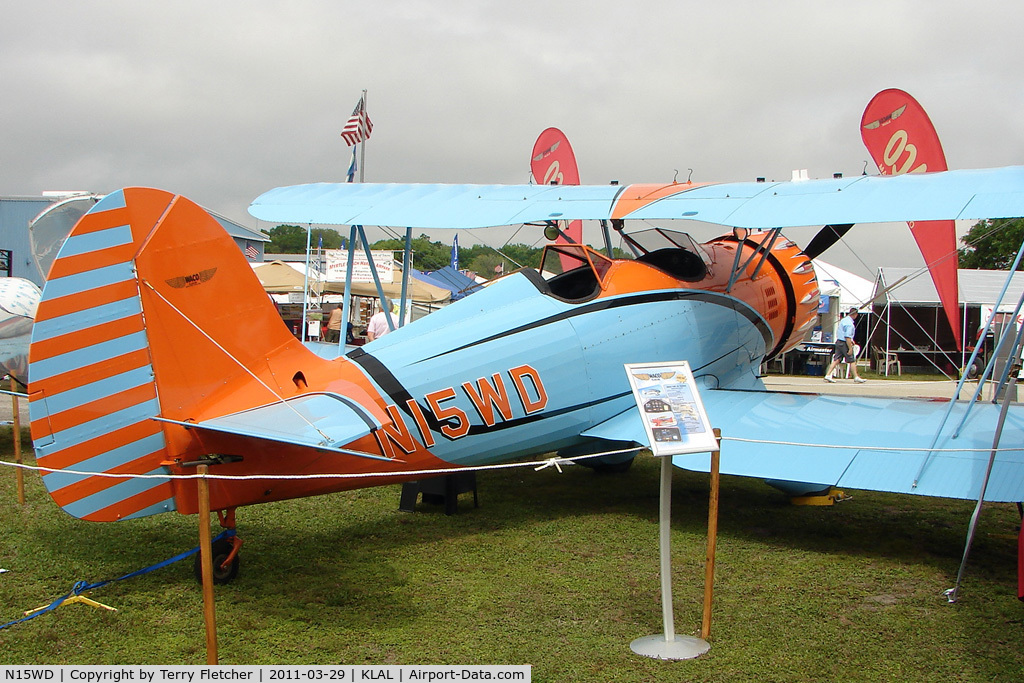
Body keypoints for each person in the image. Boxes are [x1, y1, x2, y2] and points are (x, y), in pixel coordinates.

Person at [825, 308, 866, 383]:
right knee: (852, 360)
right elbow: (847, 337)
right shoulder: (849, 324)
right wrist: (850, 348)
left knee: (836, 359)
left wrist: (851, 341)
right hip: (844, 343)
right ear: (855, 314)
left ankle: (828, 374)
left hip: (838, 341)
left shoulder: (843, 320)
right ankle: (856, 376)